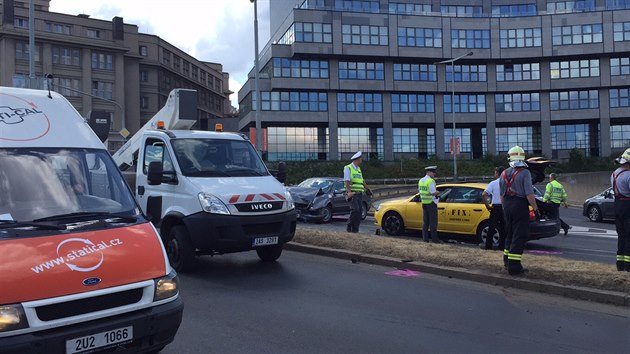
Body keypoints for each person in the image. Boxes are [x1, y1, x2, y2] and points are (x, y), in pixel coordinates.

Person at [499, 145, 539, 276]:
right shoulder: (525, 173)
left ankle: (507, 261)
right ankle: (514, 267)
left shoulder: (503, 173)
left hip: (507, 205)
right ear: (523, 157)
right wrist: (535, 208)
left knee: (509, 233)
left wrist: (505, 208)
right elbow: (529, 194)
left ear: (510, 157)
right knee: (520, 234)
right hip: (519, 204)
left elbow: (502, 194)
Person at [612, 148, 630, 272]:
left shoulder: (614, 174)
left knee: (621, 236)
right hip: (627, 206)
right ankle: (628, 266)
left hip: (617, 206)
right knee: (629, 236)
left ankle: (620, 264)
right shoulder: (628, 175)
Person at [344, 151, 370, 233]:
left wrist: (368, 189)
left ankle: (355, 229)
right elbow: (347, 181)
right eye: (360, 159)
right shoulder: (348, 168)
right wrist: (349, 192)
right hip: (353, 193)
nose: (361, 160)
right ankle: (349, 224)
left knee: (359, 213)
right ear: (356, 160)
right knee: (355, 210)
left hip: (359, 194)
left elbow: (362, 180)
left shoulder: (359, 169)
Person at [481, 166, 506, 250]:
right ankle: (502, 246)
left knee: (492, 227)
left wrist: (487, 205)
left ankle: (488, 246)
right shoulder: (507, 183)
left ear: (498, 173)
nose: (494, 174)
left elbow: (484, 194)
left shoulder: (493, 183)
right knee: (503, 228)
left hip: (495, 207)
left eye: (495, 172)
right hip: (505, 207)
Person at [418, 166, 441, 243]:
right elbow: (433, 192)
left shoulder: (421, 180)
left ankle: (425, 239)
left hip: (424, 203)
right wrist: (438, 192)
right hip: (431, 203)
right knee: (433, 223)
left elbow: (421, 192)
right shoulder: (430, 181)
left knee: (425, 222)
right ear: (429, 172)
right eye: (434, 173)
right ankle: (435, 240)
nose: (434, 174)